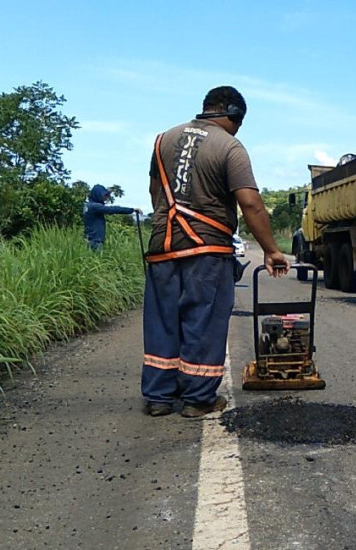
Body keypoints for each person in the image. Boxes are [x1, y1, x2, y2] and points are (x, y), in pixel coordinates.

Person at [142, 86, 287, 418]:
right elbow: (250, 203)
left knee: (162, 322)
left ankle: (159, 397)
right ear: (234, 114)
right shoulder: (230, 147)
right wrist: (272, 250)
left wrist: (171, 225)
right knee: (203, 322)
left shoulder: (163, 139)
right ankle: (197, 398)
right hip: (207, 250)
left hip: (162, 247)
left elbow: (155, 192)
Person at [82, 184, 142, 250]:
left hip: (90, 239)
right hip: (95, 242)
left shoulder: (87, 205)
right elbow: (112, 209)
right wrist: (132, 210)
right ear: (98, 195)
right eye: (105, 195)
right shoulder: (95, 207)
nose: (106, 198)